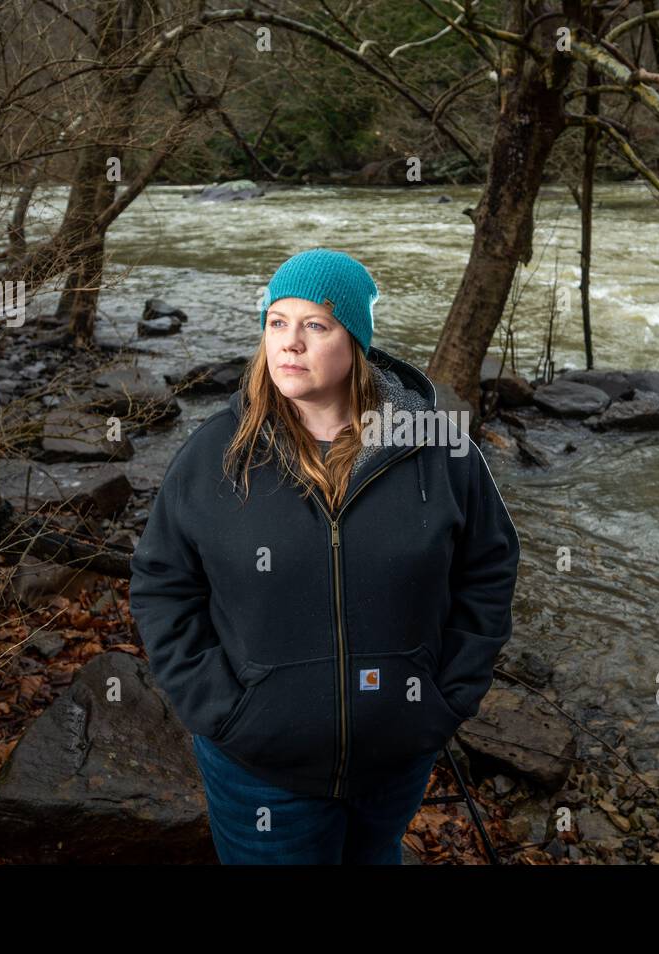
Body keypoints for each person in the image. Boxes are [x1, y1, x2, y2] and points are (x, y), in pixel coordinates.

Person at [129, 247, 521, 864]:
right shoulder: (215, 455)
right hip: (260, 771)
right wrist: (224, 709)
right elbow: (162, 583)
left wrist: (445, 697)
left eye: (315, 324)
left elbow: (489, 568)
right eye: (276, 322)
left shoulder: (437, 449)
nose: (290, 343)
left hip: (395, 758)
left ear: (356, 341)